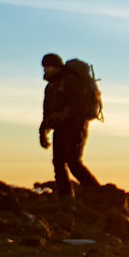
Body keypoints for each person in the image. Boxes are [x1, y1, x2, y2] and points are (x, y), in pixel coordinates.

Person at [38, 54, 104, 198]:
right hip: (60, 128)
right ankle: (66, 198)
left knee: (73, 162)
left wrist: (61, 117)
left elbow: (78, 105)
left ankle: (98, 194)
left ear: (55, 66)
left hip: (76, 126)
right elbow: (47, 112)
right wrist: (43, 132)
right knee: (58, 163)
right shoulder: (51, 86)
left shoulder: (69, 81)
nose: (44, 70)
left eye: (47, 67)